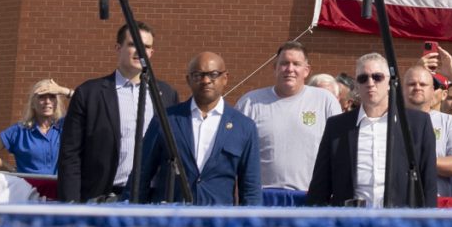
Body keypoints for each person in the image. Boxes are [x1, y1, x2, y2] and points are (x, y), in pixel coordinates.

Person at [57, 22, 182, 203]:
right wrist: (71, 205)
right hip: (102, 198)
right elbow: (70, 155)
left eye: (146, 47)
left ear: (151, 53)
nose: (140, 51)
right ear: (118, 47)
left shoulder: (166, 94)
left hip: (151, 200)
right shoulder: (89, 93)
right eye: (133, 44)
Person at [308, 52, 435, 209]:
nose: (370, 83)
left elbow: (428, 183)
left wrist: (428, 224)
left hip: (401, 223)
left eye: (377, 77)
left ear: (389, 82)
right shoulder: (337, 126)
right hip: (351, 223)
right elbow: (320, 186)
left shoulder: (417, 123)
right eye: (363, 78)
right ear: (357, 85)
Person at [141, 51, 262, 205]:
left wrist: (249, 226)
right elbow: (141, 175)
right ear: (188, 80)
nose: (206, 80)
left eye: (213, 74)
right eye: (198, 75)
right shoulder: (165, 120)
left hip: (218, 223)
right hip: (171, 221)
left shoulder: (244, 127)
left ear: (225, 78)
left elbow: (251, 189)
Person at [236, 41, 340, 205]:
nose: (290, 69)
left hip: (309, 197)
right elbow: (236, 154)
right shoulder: (250, 102)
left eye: (296, 64)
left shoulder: (325, 101)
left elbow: (337, 153)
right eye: (284, 63)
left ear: (306, 70)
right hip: (263, 198)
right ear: (275, 67)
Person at [402, 60, 452, 199]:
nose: (417, 87)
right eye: (411, 84)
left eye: (423, 84)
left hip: (437, 205)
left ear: (432, 91)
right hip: (396, 203)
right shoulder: (389, 120)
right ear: (402, 89)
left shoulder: (450, 122)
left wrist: (413, 161)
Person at [0, 80, 71, 174]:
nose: (47, 102)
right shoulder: (18, 130)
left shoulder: (65, 126)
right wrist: (12, 170)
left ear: (57, 102)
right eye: (41, 97)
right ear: (32, 103)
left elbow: (87, 104)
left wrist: (64, 91)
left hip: (58, 187)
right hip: (28, 187)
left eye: (52, 97)